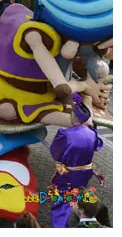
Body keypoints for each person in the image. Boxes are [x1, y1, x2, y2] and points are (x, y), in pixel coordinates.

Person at [49, 94, 104, 228]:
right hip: (85, 173)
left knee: (64, 198)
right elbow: (98, 145)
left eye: (72, 115)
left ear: (75, 117)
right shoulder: (92, 133)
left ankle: (62, 225)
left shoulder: (65, 134)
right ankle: (80, 216)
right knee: (77, 194)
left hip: (68, 173)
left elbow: (55, 154)